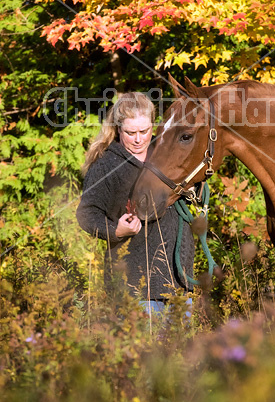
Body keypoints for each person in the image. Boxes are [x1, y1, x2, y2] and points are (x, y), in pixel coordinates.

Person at [76, 91, 195, 315]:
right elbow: (86, 213)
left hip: (179, 282)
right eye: (131, 133)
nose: (139, 139)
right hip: (135, 288)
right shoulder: (106, 164)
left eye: (144, 131)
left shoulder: (166, 156)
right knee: (142, 350)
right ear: (119, 129)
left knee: (182, 349)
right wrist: (115, 230)